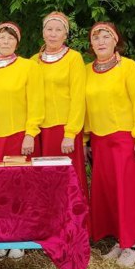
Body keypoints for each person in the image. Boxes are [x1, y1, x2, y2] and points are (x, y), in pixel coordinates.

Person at [84, 21, 135, 267]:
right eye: (96, 37)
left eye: (106, 36)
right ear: (91, 44)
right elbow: (84, 108)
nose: (101, 41)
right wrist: (84, 138)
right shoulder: (87, 70)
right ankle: (119, 240)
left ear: (116, 41)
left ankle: (131, 245)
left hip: (125, 138)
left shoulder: (129, 67)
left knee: (127, 192)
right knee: (110, 192)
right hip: (100, 139)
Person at [0, 21, 45, 260]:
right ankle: (0, 238)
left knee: (19, 187)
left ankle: (19, 238)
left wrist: (31, 132)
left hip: (19, 135)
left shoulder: (29, 67)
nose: (5, 42)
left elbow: (37, 102)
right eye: (1, 38)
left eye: (10, 38)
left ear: (17, 42)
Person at [32, 11, 87, 193]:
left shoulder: (74, 58)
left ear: (65, 35)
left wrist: (70, 133)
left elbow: (78, 97)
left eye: (58, 30)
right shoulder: (34, 61)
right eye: (49, 29)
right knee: (46, 181)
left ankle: (74, 220)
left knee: (67, 180)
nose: (53, 34)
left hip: (64, 129)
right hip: (40, 130)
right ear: (42, 32)